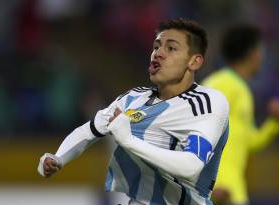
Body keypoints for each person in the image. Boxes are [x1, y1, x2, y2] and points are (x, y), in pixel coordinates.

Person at [37, 18, 230, 205]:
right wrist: (58, 157)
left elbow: (191, 166)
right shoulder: (132, 98)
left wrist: (129, 140)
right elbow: (88, 131)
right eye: (156, 47)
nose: (158, 53)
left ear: (194, 62)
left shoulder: (207, 102)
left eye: (171, 48)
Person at [202, 24, 279, 205]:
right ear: (252, 53)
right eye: (260, 49)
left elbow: (250, 142)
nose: (262, 56)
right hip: (217, 188)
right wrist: (210, 184)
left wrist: (275, 123)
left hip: (233, 189)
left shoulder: (242, 89)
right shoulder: (220, 83)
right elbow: (197, 130)